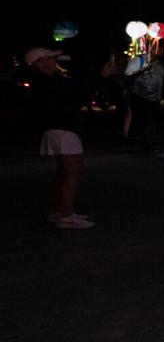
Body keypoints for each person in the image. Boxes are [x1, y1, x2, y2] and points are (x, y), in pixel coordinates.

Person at [21, 48, 92, 229]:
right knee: (71, 173)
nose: (55, 60)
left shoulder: (43, 82)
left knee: (62, 173)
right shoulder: (50, 83)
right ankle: (67, 215)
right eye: (51, 58)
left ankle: (57, 211)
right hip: (64, 129)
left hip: (55, 129)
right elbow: (76, 96)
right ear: (40, 62)